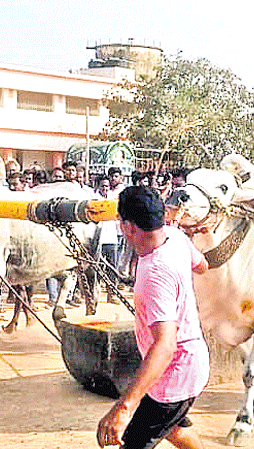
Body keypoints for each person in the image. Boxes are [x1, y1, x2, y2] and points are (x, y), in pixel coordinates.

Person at [96, 186, 208, 449]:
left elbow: (165, 346)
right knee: (175, 431)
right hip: (188, 365)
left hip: (174, 374)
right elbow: (202, 266)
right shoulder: (175, 236)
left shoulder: (154, 274)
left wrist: (124, 407)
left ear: (128, 227)